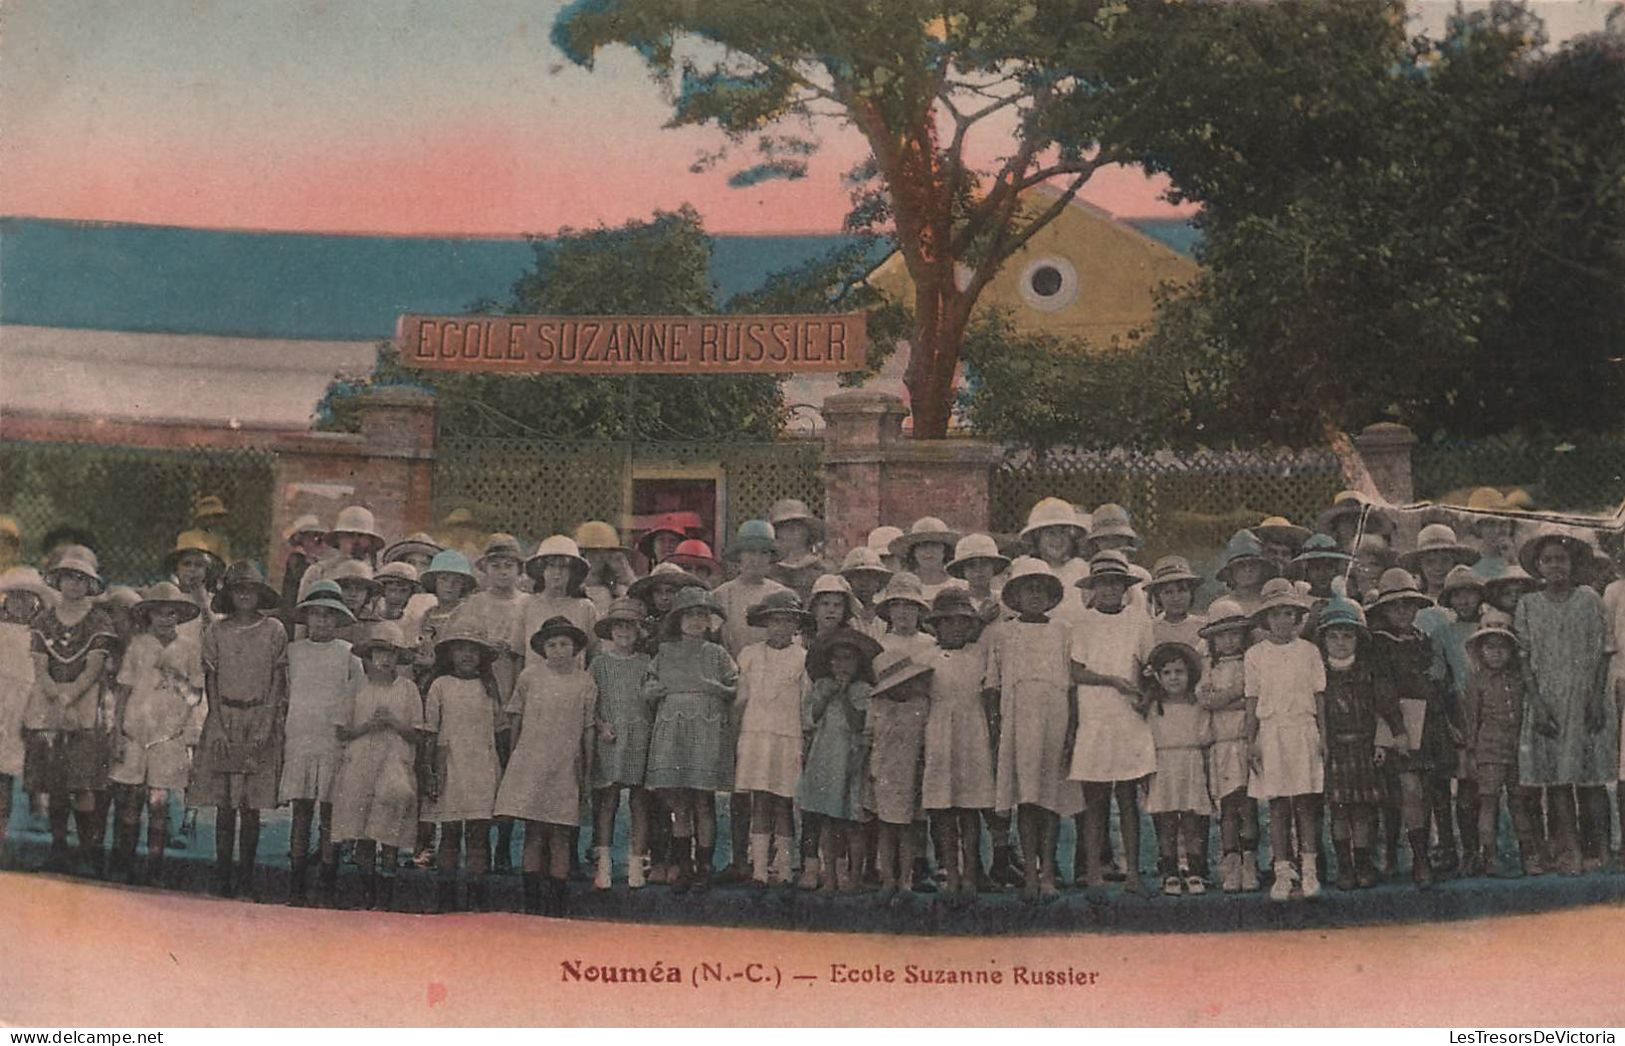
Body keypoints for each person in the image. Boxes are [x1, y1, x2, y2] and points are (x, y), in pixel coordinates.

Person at [1513, 530, 1613, 875]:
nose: (1555, 565)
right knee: (1556, 779)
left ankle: (1600, 848)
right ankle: (1568, 848)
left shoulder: (1589, 600)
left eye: (1562, 559)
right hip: (1547, 699)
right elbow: (1524, 660)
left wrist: (1597, 699)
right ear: (1538, 566)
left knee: (1592, 778)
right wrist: (1537, 703)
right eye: (1548, 559)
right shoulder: (1527, 605)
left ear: (1573, 564)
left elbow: (1603, 653)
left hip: (1584, 698)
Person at [189, 560, 288, 899]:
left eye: (251, 589)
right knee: (224, 803)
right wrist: (215, 721)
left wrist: (266, 722)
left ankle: (246, 876)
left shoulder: (274, 630)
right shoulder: (217, 631)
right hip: (225, 718)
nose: (245, 595)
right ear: (229, 594)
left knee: (250, 804)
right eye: (238, 589)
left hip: (258, 719)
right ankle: (222, 875)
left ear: (260, 594)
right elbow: (211, 680)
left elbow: (278, 680)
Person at [986, 558, 1083, 903]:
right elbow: (993, 686)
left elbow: (1072, 685)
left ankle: (1047, 874)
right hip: (1018, 720)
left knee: (1050, 799)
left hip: (1054, 718)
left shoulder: (1063, 631)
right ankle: (1028, 874)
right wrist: (996, 731)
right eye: (1028, 589)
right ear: (1015, 595)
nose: (1035, 595)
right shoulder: (1004, 632)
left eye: (1041, 589)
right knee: (1026, 799)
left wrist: (1072, 727)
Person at [26, 546, 118, 876]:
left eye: (82, 580)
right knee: (55, 781)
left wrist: (70, 699)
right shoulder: (43, 620)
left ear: (90, 585)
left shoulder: (98, 621)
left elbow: (93, 668)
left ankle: (88, 852)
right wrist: (57, 698)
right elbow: (40, 667)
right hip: (49, 704)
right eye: (69, 578)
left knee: (83, 782)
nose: (75, 585)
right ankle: (58, 849)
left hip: (84, 705)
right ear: (58, 581)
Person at [496, 616, 596, 917]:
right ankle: (532, 904)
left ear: (576, 648)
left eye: (565, 644)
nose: (558, 650)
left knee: (561, 832)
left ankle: (557, 907)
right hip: (531, 761)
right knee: (534, 830)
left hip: (566, 763)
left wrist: (587, 765)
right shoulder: (530, 676)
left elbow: (588, 727)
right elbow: (515, 717)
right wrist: (515, 757)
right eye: (552, 644)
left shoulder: (584, 681)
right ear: (543, 649)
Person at [1069, 550, 1156, 896]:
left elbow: (1150, 667)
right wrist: (1113, 681)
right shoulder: (1082, 622)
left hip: (1128, 719)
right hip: (1095, 717)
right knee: (1095, 801)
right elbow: (1076, 671)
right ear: (1093, 587)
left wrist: (1146, 696)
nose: (1109, 589)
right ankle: (1094, 872)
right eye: (1103, 583)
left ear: (1125, 587)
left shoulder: (1139, 621)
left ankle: (1133, 870)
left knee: (1127, 797)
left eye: (1116, 583)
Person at [105, 582, 203, 886]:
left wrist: (177, 678)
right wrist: (117, 733)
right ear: (149, 616)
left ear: (179, 616)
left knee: (159, 802)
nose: (165, 619)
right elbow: (123, 692)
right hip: (136, 733)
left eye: (171, 613)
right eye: (159, 613)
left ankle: (154, 868)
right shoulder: (138, 645)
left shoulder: (188, 649)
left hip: (168, 737)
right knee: (130, 801)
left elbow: (195, 697)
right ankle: (125, 865)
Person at [643, 585, 738, 893]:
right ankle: (683, 864)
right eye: (690, 615)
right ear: (677, 620)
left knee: (704, 800)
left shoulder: (718, 654)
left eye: (702, 615)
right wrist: (653, 690)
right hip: (674, 730)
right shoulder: (665, 652)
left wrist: (715, 688)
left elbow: (735, 688)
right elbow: (648, 684)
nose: (696, 621)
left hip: (705, 732)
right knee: (679, 801)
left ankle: (705, 865)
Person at [711, 519, 792, 882]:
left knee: (776, 779)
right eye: (749, 553)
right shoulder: (723, 595)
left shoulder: (780, 593)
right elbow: (716, 644)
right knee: (741, 779)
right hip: (736, 688)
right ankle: (740, 856)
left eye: (763, 553)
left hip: (773, 693)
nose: (755, 560)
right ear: (738, 558)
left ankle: (776, 858)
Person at [1365, 568, 1451, 888]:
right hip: (1393, 725)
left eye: (1408, 605)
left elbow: (1433, 685)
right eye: (1395, 606)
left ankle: (1421, 853)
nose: (1402, 612)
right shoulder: (1380, 643)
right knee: (1403, 789)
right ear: (1384, 610)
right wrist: (1398, 729)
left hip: (1426, 723)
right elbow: (1383, 688)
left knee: (1426, 790)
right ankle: (1413, 857)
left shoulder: (1422, 640)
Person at [278, 581, 362, 906]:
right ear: (306, 618)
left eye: (329, 615)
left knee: (330, 811)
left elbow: (357, 698)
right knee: (301, 810)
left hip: (332, 740)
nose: (322, 621)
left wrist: (347, 732)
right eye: (316, 615)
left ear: (339, 619)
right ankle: (296, 884)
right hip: (300, 736)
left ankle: (327, 881)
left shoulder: (349, 656)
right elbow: (284, 694)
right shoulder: (293, 653)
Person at [330, 622, 423, 911]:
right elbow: (341, 731)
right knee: (363, 829)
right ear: (368, 657)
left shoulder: (408, 689)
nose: (384, 659)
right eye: (378, 653)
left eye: (391, 654)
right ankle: (367, 893)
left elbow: (417, 734)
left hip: (394, 762)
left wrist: (394, 723)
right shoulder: (356, 687)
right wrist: (368, 726)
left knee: (389, 828)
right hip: (360, 762)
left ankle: (386, 897)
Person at [1245, 577, 1326, 902]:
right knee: (1278, 805)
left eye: (1288, 614)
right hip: (1272, 733)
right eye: (1275, 614)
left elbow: (1319, 699)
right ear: (1266, 619)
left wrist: (1323, 736)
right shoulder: (1255, 655)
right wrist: (1251, 740)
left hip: (1304, 730)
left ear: (1297, 617)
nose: (1282, 620)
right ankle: (1282, 869)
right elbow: (1252, 700)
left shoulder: (1309, 651)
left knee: (1306, 803)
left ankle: (1309, 869)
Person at [1315, 588, 1398, 891]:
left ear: (1358, 639)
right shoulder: (1320, 675)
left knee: (1363, 810)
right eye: (1334, 636)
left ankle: (1363, 862)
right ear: (1323, 640)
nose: (1340, 643)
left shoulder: (1367, 673)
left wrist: (1380, 742)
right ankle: (1345, 865)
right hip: (1336, 749)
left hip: (1363, 747)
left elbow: (1381, 710)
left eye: (1347, 636)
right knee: (1338, 810)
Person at [731, 591, 812, 887]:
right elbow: (740, 699)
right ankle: (760, 870)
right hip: (755, 735)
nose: (780, 627)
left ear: (796, 626)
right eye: (774, 621)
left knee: (784, 800)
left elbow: (805, 704)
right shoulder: (749, 654)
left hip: (787, 736)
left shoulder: (803, 659)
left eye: (787, 621)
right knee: (760, 799)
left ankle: (785, 867)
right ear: (765, 623)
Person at [920, 589, 994, 903]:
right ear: (936, 626)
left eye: (962, 622)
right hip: (939, 733)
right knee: (944, 809)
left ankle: (970, 874)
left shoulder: (979, 657)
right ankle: (950, 871)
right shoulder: (926, 657)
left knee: (969, 807)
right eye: (947, 622)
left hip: (973, 734)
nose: (954, 628)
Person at [423, 621, 502, 912]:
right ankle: (446, 900)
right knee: (450, 833)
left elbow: (499, 731)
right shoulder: (440, 685)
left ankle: (476, 900)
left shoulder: (488, 687)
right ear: (450, 655)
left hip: (482, 765)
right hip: (450, 765)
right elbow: (430, 732)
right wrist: (430, 771)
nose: (467, 655)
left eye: (473, 650)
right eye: (460, 649)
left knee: (479, 834)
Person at [463, 533, 529, 874]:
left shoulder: (527, 604)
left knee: (509, 773)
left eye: (509, 566)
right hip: (480, 695)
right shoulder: (475, 604)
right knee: (479, 771)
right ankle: (477, 847)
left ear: (519, 570)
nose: (503, 572)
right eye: (496, 565)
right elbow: (461, 645)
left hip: (515, 692)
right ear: (486, 569)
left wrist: (514, 650)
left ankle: (503, 845)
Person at [1416, 564, 1488, 876]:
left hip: (1488, 709)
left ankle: (1477, 849)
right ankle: (1449, 847)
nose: (1464, 601)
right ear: (1449, 599)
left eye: (1469, 593)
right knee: (1452, 783)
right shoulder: (1443, 633)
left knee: (1478, 787)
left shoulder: (1490, 628)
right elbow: (1440, 673)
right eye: (1457, 595)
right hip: (1455, 710)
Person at [799, 626, 880, 892]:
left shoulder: (863, 689)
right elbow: (812, 717)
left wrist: (844, 695)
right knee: (827, 820)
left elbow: (859, 723)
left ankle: (854, 876)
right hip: (825, 758)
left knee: (853, 823)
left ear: (859, 664)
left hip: (851, 759)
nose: (842, 664)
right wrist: (828, 694)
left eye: (849, 659)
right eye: (837, 658)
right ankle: (830, 874)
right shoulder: (822, 685)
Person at [1459, 623, 1540, 877]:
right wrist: (1471, 752)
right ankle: (1490, 856)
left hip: (1517, 748)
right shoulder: (1476, 681)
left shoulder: (1518, 678)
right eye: (1490, 647)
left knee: (1519, 802)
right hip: (1488, 749)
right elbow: (1471, 719)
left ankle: (1529, 855)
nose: (1496, 653)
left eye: (1502, 647)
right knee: (1489, 802)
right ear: (1480, 651)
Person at [589, 598, 656, 889]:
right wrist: (601, 726)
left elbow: (653, 701)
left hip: (640, 737)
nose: (624, 632)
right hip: (610, 737)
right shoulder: (600, 663)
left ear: (639, 631)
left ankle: (636, 863)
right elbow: (590, 701)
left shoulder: (646, 663)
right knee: (608, 799)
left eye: (630, 627)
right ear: (610, 631)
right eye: (618, 626)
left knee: (640, 801)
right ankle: (603, 863)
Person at [1195, 599, 1260, 892]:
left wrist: (1230, 698)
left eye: (1235, 633)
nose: (1229, 640)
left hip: (1245, 739)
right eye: (1222, 635)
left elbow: (1253, 696)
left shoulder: (1251, 663)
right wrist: (1232, 699)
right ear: (1213, 640)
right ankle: (1230, 861)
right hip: (1221, 744)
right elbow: (1207, 700)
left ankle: (1250, 860)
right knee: (1228, 808)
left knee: (1248, 804)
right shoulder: (1208, 668)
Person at [1142, 642, 1212, 895]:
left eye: (1179, 672)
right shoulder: (1153, 708)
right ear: (1158, 677)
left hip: (1190, 765)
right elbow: (1148, 740)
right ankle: (1170, 871)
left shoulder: (1198, 705)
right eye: (1167, 672)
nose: (1174, 678)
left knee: (1192, 821)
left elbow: (1205, 736)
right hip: (1163, 767)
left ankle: (1194, 871)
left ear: (1190, 675)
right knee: (1167, 822)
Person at [0, 568, 53, 859]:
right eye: (15, 597)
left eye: (28, 598)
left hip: (24, 707)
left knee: (9, 772)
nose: (20, 604)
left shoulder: (39, 635)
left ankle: (12, 829)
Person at [517, 535, 599, 669]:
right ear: (541, 570)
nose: (557, 573)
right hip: (535, 684)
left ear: (573, 572)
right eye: (551, 566)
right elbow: (518, 654)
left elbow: (594, 653)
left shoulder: (585, 607)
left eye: (563, 567)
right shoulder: (526, 604)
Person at [766, 499, 830, 603]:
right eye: (785, 526)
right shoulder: (767, 570)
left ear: (808, 530)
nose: (792, 530)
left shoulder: (822, 569)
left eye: (798, 525)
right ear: (776, 532)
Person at [890, 518, 961, 602]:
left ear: (945, 549)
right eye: (922, 546)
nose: (928, 551)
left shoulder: (959, 586)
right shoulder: (903, 586)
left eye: (934, 545)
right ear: (914, 552)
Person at [945, 533, 1010, 626]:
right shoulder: (955, 603)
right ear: (963, 570)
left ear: (993, 567)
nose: (978, 570)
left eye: (984, 564)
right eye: (971, 565)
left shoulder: (1005, 600)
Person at [574, 520, 637, 614]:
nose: (597, 558)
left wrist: (625, 573)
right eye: (592, 552)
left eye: (603, 553)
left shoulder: (618, 591)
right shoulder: (569, 591)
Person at [1145, 556, 1205, 649]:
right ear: (1158, 596)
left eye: (1182, 590)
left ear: (1191, 593)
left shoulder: (1203, 627)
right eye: (1168, 592)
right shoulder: (1149, 630)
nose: (1176, 598)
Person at [839, 546, 894, 642]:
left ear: (879, 581)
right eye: (858, 576)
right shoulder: (842, 614)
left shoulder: (886, 615)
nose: (864, 583)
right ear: (848, 580)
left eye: (870, 576)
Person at [1215, 530, 1275, 617]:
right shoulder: (1220, 607)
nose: (1248, 569)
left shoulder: (1272, 603)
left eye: (1253, 564)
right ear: (1231, 571)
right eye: (1241, 565)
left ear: (1262, 568)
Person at [875, 573, 936, 657]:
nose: (902, 611)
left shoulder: (931, 644)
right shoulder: (881, 645)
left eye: (909, 605)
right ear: (889, 610)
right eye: (895, 605)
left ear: (918, 610)